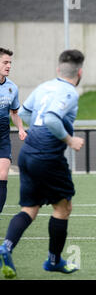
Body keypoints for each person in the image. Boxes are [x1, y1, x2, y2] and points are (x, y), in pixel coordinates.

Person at [0, 49, 85, 279]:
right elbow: (50, 118)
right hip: (48, 156)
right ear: (80, 72)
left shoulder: (44, 86)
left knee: (29, 209)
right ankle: (54, 260)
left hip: (28, 152)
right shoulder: (70, 93)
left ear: (58, 69)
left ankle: (5, 247)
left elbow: (25, 113)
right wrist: (70, 140)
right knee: (63, 207)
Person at [0, 48, 27, 215]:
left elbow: (14, 113)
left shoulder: (12, 88)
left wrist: (21, 129)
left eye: (10, 63)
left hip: (2, 134)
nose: (9, 66)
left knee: (2, 176)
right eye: (5, 62)